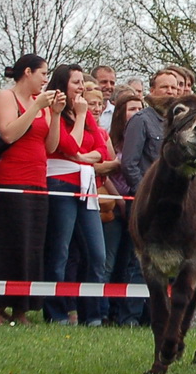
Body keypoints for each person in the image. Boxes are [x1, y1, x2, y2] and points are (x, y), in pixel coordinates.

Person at [0, 55, 62, 326]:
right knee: (6, 244)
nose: (46, 79)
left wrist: (56, 114)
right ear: (27, 72)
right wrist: (35, 107)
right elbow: (9, 134)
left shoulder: (44, 105)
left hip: (38, 181)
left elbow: (51, 146)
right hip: (12, 180)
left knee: (31, 246)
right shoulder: (7, 96)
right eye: (43, 73)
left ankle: (21, 309)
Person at [40, 64, 111, 325]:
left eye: (83, 82)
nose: (81, 87)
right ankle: (55, 312)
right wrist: (80, 118)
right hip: (60, 184)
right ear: (62, 85)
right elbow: (65, 144)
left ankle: (91, 314)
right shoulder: (54, 111)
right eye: (76, 83)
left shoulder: (84, 111)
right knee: (59, 251)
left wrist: (82, 156)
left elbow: (102, 151)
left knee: (96, 254)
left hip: (86, 186)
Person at [101, 86, 148, 326]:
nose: (137, 113)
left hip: (133, 205)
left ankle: (126, 314)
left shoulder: (145, 136)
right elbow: (106, 169)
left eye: (140, 108)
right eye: (132, 109)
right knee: (110, 261)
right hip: (113, 204)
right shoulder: (112, 140)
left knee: (132, 260)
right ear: (121, 113)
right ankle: (102, 312)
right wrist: (118, 199)